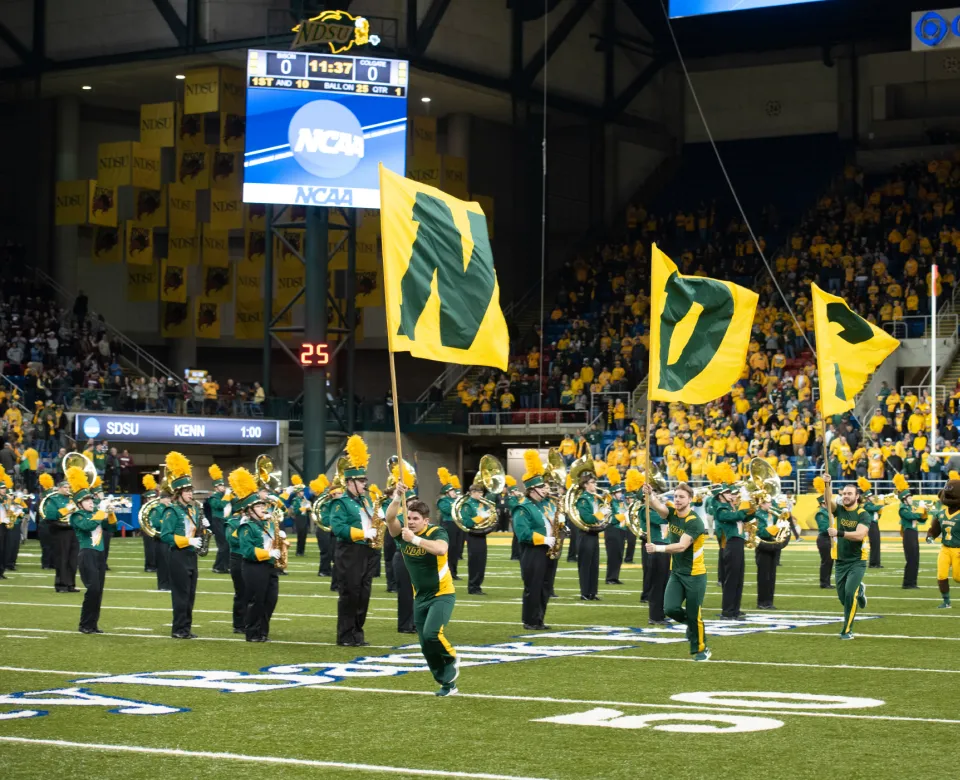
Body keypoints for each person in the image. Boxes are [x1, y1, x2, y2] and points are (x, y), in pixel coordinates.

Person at [384, 483, 459, 696]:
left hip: (442, 594)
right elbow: (390, 519)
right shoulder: (402, 533)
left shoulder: (437, 531)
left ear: (426, 520)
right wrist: (397, 497)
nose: (411, 522)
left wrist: (415, 540)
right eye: (408, 518)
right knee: (425, 645)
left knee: (432, 633)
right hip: (421, 597)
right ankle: (447, 684)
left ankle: (452, 658)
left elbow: (441, 549)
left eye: (416, 519)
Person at [644, 481, 711, 660]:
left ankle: (701, 649)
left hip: (695, 575)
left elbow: (682, 547)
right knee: (671, 608)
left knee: (693, 612)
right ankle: (694, 625)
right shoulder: (672, 513)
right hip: (677, 573)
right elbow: (657, 506)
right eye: (675, 497)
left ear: (690, 499)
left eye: (682, 497)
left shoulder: (695, 522)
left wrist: (657, 548)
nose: (678, 500)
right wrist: (650, 494)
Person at [329, 434, 379, 647]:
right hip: (350, 551)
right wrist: (362, 534)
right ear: (349, 482)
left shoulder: (366, 499)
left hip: (368, 551)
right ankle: (345, 635)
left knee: (363, 594)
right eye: (360, 481)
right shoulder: (341, 503)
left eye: (364, 480)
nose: (364, 483)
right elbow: (338, 528)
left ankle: (358, 633)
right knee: (350, 593)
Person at [159, 451, 207, 639]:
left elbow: (194, 530)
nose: (190, 494)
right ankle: (178, 629)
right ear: (179, 493)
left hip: (190, 555)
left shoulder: (194, 509)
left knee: (190, 594)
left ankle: (186, 627)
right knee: (181, 594)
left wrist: (203, 529)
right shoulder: (171, 511)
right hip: (177, 555)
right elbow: (166, 536)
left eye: (191, 491)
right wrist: (187, 541)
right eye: (187, 491)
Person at [231, 467, 281, 643]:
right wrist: (268, 553)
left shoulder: (268, 524)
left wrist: (281, 541)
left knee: (270, 600)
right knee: (256, 600)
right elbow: (248, 551)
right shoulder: (247, 527)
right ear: (250, 511)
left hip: (270, 566)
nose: (263, 508)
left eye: (262, 505)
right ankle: (252, 632)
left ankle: (263, 630)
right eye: (259, 506)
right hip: (254, 567)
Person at [67, 466, 117, 634]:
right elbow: (88, 526)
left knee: (99, 591)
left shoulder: (96, 513)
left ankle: (92, 624)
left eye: (91, 500)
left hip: (99, 555)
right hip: (87, 554)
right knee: (93, 589)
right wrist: (101, 511)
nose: (91, 502)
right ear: (80, 503)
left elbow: (112, 527)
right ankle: (84, 624)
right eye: (87, 501)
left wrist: (110, 513)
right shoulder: (77, 516)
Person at [511, 450, 557, 630]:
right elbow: (523, 534)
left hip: (549, 549)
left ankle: (540, 619)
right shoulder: (523, 508)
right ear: (532, 490)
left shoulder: (545, 505)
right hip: (533, 551)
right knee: (533, 585)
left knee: (546, 586)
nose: (545, 491)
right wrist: (544, 539)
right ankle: (530, 620)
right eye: (541, 488)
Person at [824, 476, 870, 640]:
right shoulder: (840, 509)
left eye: (849, 493)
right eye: (844, 493)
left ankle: (847, 630)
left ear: (857, 496)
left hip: (857, 561)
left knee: (850, 594)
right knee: (844, 599)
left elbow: (859, 535)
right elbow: (828, 501)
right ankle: (861, 591)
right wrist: (827, 484)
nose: (846, 496)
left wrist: (839, 533)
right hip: (840, 561)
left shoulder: (863, 514)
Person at [713, 482, 752, 619]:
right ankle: (728, 611)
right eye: (727, 492)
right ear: (720, 496)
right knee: (731, 580)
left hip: (738, 544)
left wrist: (752, 508)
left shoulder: (731, 507)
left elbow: (745, 517)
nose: (731, 494)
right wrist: (745, 503)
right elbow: (736, 517)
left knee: (738, 578)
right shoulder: (721, 509)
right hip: (731, 544)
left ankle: (735, 609)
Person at [924, 476, 960, 608]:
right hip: (945, 548)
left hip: (958, 550)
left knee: (958, 577)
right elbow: (935, 529)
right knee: (941, 574)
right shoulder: (941, 513)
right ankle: (946, 602)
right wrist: (930, 536)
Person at [573, 466, 605, 601]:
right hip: (585, 535)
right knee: (586, 565)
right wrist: (601, 514)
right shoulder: (583, 499)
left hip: (594, 534)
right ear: (585, 484)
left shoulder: (594, 498)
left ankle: (592, 592)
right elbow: (588, 518)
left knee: (594, 564)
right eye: (592, 482)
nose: (595, 485)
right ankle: (585, 592)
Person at [43, 476, 79, 592]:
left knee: (73, 559)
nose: (67, 489)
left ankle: (71, 584)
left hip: (73, 530)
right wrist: (66, 510)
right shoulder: (53, 499)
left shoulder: (72, 499)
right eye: (65, 487)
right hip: (61, 531)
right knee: (62, 558)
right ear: (59, 488)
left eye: (69, 487)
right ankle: (61, 584)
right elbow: (51, 516)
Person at [457, 477, 491, 595]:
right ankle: (473, 586)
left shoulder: (482, 504)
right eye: (479, 492)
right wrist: (481, 517)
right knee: (475, 561)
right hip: (473, 535)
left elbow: (489, 516)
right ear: (472, 493)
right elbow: (468, 522)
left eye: (482, 492)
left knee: (482, 562)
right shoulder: (467, 505)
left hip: (482, 534)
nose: (481, 494)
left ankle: (478, 586)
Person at [754, 499, 789, 609]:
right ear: (761, 503)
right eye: (768, 503)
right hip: (763, 546)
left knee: (771, 576)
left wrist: (782, 524)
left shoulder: (771, 514)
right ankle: (762, 602)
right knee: (764, 576)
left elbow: (778, 526)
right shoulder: (757, 515)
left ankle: (769, 602)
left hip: (773, 545)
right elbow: (762, 532)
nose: (770, 504)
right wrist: (777, 527)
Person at [894, 474, 924, 589]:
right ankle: (907, 583)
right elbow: (912, 516)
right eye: (909, 498)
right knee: (911, 558)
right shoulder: (903, 509)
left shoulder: (911, 507)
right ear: (904, 499)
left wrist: (924, 513)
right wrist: (921, 511)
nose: (912, 499)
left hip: (914, 533)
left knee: (916, 558)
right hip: (908, 534)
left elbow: (921, 519)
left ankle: (913, 582)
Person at [436, 469, 463, 580]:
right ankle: (448, 571)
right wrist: (457, 502)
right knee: (450, 549)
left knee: (456, 549)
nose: (454, 492)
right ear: (447, 492)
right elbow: (448, 511)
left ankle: (454, 572)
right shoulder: (443, 501)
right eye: (452, 491)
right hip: (449, 525)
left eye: (454, 491)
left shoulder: (456, 500)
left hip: (457, 525)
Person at [207, 465, 232, 574]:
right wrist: (227, 495)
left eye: (223, 485)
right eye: (220, 485)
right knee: (223, 545)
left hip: (227, 522)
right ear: (216, 488)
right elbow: (220, 505)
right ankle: (218, 566)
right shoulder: (214, 497)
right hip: (218, 522)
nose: (223, 487)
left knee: (229, 545)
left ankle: (225, 566)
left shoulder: (227, 495)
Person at [309, 474, 334, 580]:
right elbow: (324, 515)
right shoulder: (324, 497)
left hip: (327, 527)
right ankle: (323, 570)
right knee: (326, 550)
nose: (313, 491)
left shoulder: (323, 496)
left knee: (330, 550)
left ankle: (327, 569)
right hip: (323, 527)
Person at [604, 471, 626, 585]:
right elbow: (609, 518)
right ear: (613, 493)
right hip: (612, 530)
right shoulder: (609, 502)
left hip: (622, 530)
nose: (620, 493)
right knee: (612, 555)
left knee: (619, 555)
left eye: (621, 491)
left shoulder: (621, 503)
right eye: (618, 492)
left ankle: (615, 577)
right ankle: (610, 578)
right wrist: (622, 517)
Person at [282, 474, 311, 558]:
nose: (303, 493)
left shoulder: (303, 499)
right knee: (300, 535)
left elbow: (307, 508)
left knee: (304, 535)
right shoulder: (295, 500)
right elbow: (296, 510)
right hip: (299, 518)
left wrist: (308, 507)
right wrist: (302, 508)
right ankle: (298, 551)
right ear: (298, 493)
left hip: (305, 518)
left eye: (303, 491)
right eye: (301, 491)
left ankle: (302, 551)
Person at [813, 478, 833, 589]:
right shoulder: (820, 513)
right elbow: (824, 527)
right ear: (822, 503)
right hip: (824, 539)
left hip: (830, 539)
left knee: (830, 561)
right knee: (826, 561)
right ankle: (824, 582)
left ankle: (827, 582)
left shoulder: (828, 512)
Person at [36, 472, 56, 569]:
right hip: (46, 522)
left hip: (46, 522)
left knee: (49, 545)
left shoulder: (45, 495)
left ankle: (49, 563)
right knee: (48, 545)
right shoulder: (47, 495)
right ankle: (47, 564)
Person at [141, 475, 158, 573]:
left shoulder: (157, 506)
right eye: (151, 497)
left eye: (154, 497)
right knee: (149, 549)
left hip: (155, 529)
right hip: (147, 530)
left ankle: (155, 564)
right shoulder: (145, 507)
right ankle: (149, 566)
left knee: (156, 548)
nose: (153, 499)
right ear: (147, 499)